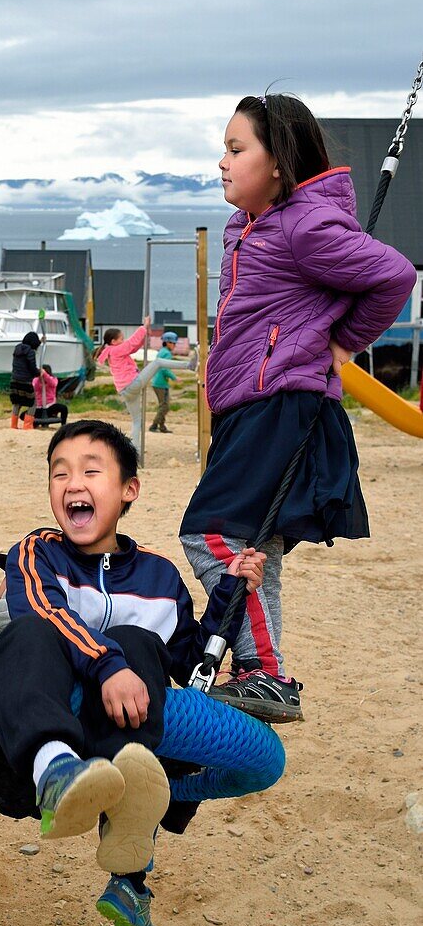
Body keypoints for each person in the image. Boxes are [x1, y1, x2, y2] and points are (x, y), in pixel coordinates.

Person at [0, 419, 264, 926]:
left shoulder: (160, 577)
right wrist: (107, 666)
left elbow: (188, 662)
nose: (72, 484)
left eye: (92, 471)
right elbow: (42, 609)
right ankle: (46, 782)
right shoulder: (36, 551)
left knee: (140, 643)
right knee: (26, 635)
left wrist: (229, 595)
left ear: (128, 489)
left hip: (118, 731)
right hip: (30, 718)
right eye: (59, 473)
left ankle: (130, 866)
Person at [180, 92, 417, 724]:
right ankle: (266, 673)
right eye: (223, 149)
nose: (222, 162)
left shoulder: (305, 226)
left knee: (210, 535)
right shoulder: (245, 226)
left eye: (236, 149)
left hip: (281, 405)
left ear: (279, 164)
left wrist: (341, 342)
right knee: (257, 549)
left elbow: (393, 276)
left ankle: (262, 671)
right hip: (246, 408)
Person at [97, 318, 195, 449]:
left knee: (137, 421)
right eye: (121, 339)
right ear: (113, 342)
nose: (123, 341)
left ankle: (135, 450)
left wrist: (145, 333)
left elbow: (133, 347)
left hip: (124, 391)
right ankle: (189, 365)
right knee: (158, 363)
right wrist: (143, 327)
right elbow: (131, 343)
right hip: (132, 384)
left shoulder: (112, 351)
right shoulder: (116, 350)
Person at [149, 331, 189, 434]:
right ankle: (154, 425)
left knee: (163, 405)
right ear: (167, 343)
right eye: (173, 343)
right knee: (165, 406)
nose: (174, 345)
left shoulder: (162, 351)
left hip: (158, 383)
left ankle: (162, 427)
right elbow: (164, 369)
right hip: (160, 383)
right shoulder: (166, 353)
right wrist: (174, 377)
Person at [9, 331, 45, 430]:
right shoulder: (30, 352)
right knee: (33, 403)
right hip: (25, 381)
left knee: (17, 402)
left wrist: (40, 342)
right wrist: (39, 373)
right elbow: (32, 368)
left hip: (14, 380)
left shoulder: (17, 348)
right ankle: (27, 426)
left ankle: (13, 425)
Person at [32, 363, 68, 428]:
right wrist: (39, 377)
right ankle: (36, 424)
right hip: (39, 406)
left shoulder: (53, 379)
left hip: (50, 406)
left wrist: (45, 375)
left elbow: (53, 384)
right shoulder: (36, 380)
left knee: (64, 408)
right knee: (23, 415)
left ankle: (63, 425)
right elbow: (35, 387)